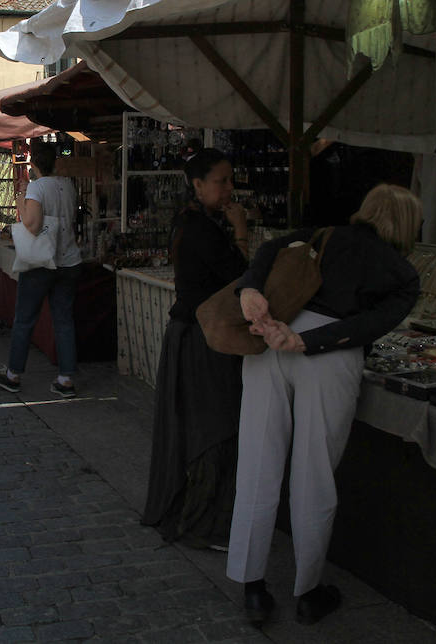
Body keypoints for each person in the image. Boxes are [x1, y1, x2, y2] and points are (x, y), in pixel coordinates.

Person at [229, 184, 421, 626]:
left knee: (257, 462)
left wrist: (250, 291)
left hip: (273, 339)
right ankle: (308, 590)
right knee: (314, 472)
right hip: (327, 356)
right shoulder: (402, 273)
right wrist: (308, 341)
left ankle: (252, 585)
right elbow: (369, 324)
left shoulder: (324, 235)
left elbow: (267, 252)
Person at [141, 148, 249, 551]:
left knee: (208, 426)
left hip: (196, 336)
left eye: (230, 181)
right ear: (198, 184)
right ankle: (204, 522)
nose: (228, 189)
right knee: (213, 428)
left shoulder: (196, 222)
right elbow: (240, 277)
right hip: (203, 340)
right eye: (221, 181)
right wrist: (240, 229)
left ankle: (204, 518)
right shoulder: (201, 228)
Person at [0, 141, 83, 397]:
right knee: (64, 320)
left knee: (24, 319)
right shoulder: (68, 185)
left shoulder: (37, 188)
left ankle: (13, 374)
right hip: (70, 259)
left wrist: (20, 200)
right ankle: (66, 378)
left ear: (33, 165)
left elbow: (32, 224)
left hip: (43, 262)